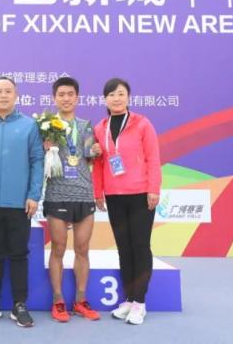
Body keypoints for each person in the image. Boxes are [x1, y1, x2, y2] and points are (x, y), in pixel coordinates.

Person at [0, 76, 44, 328]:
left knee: (19, 254)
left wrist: (34, 195)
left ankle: (19, 305)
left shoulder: (29, 125)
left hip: (19, 203)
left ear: (16, 95)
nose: (3, 95)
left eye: (8, 91)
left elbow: (37, 161)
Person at [92, 78, 162, 325]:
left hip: (141, 194)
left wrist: (153, 189)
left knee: (140, 246)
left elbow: (153, 158)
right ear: (105, 100)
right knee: (123, 248)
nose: (116, 98)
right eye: (111, 94)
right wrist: (98, 192)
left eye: (121, 94)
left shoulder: (142, 123)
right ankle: (129, 299)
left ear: (128, 97)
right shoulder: (100, 128)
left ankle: (140, 303)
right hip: (114, 196)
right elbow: (98, 163)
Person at [43, 77, 101, 322]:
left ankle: (80, 300)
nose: (66, 98)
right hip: (57, 195)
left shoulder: (86, 126)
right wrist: (44, 147)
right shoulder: (46, 126)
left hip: (84, 195)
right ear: (54, 98)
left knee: (82, 249)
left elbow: (89, 155)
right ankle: (58, 301)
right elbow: (38, 158)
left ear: (77, 98)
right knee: (58, 249)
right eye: (61, 94)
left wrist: (95, 151)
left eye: (70, 94)